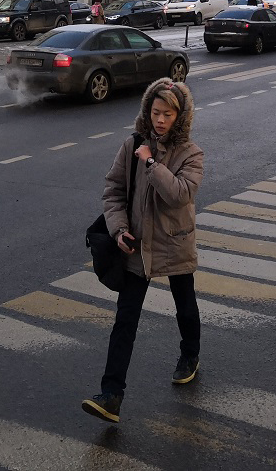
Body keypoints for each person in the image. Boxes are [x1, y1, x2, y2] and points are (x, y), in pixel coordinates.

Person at [82, 78, 204, 425]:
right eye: (155, 112)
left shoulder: (190, 153)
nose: (160, 119)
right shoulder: (132, 144)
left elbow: (181, 194)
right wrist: (119, 230)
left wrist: (152, 165)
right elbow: (113, 191)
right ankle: (111, 394)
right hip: (137, 246)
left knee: (185, 305)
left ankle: (190, 355)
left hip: (174, 241)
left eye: (167, 113)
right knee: (125, 320)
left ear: (179, 116)